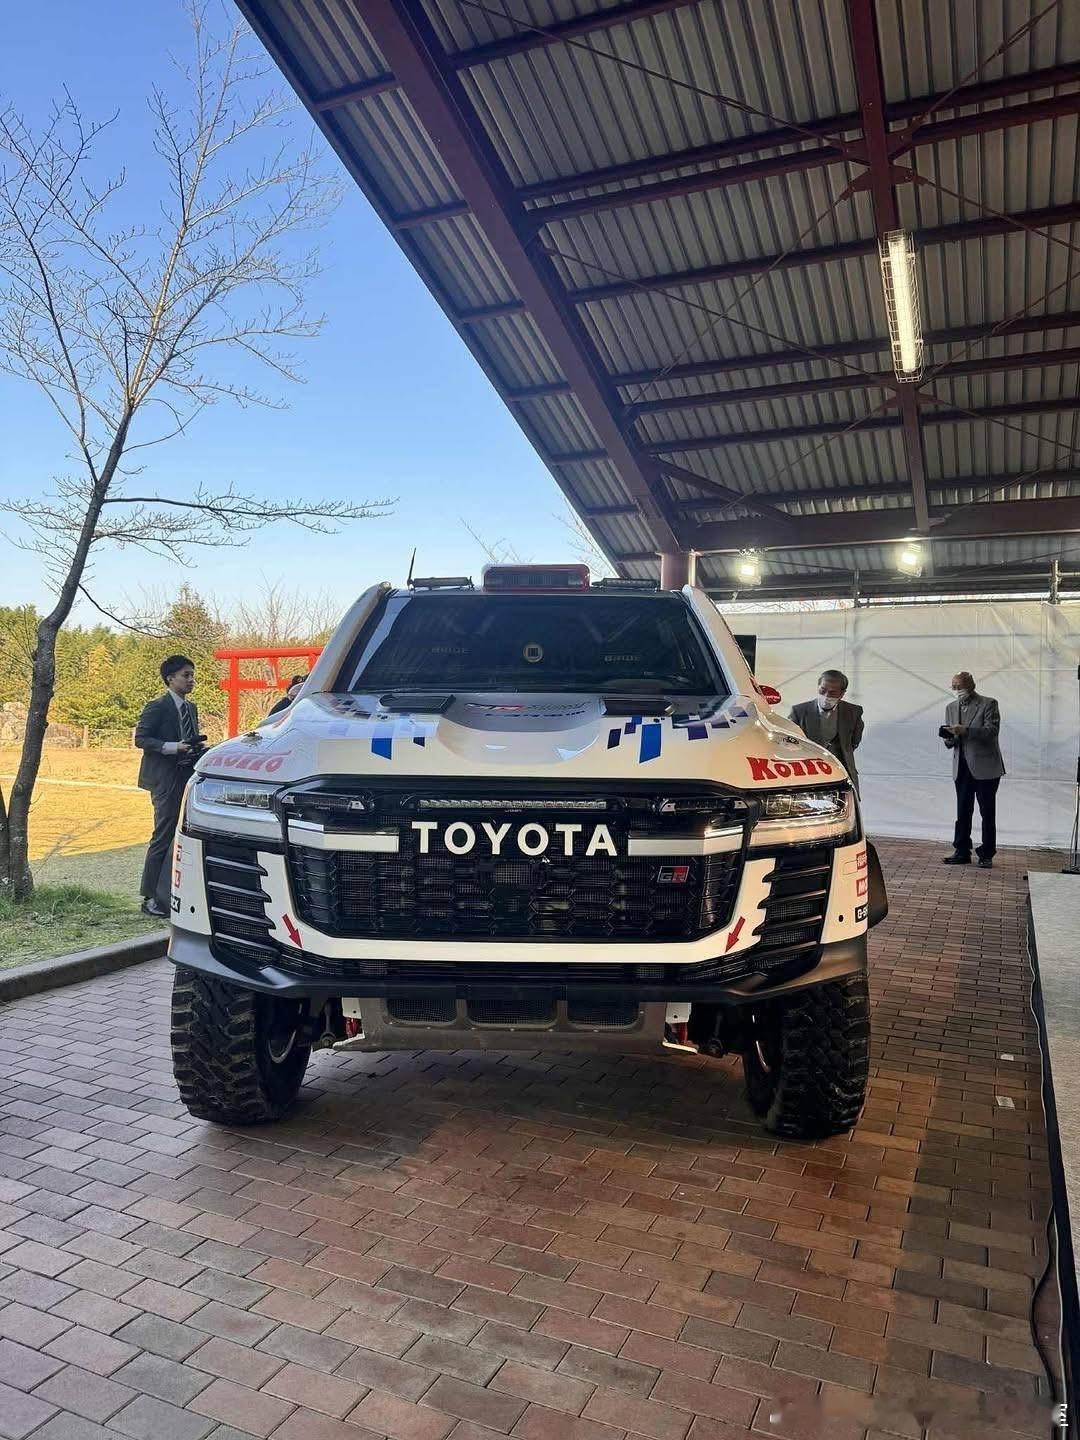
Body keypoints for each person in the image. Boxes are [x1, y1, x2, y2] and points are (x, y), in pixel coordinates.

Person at [135, 655, 201, 917]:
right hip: (164, 779)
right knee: (162, 835)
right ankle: (150, 897)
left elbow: (189, 739)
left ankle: (173, 892)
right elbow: (141, 739)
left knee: (183, 835)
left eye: (192, 675)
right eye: (186, 675)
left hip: (186, 777)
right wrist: (173, 747)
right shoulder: (157, 706)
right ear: (170, 678)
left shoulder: (191, 708)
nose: (191, 680)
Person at [941, 671, 1005, 869]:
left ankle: (987, 853)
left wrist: (966, 731)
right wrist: (948, 736)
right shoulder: (950, 707)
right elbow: (951, 742)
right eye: (953, 686)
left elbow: (992, 731)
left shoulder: (989, 703)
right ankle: (961, 851)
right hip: (961, 768)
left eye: (959, 686)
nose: (956, 690)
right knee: (963, 811)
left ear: (971, 685)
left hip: (985, 768)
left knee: (987, 812)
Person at [789, 669, 864, 795]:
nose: (826, 695)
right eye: (822, 690)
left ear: (842, 694)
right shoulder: (799, 711)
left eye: (833, 692)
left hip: (842, 773)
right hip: (808, 774)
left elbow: (854, 741)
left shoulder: (854, 711)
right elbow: (790, 742)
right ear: (818, 686)